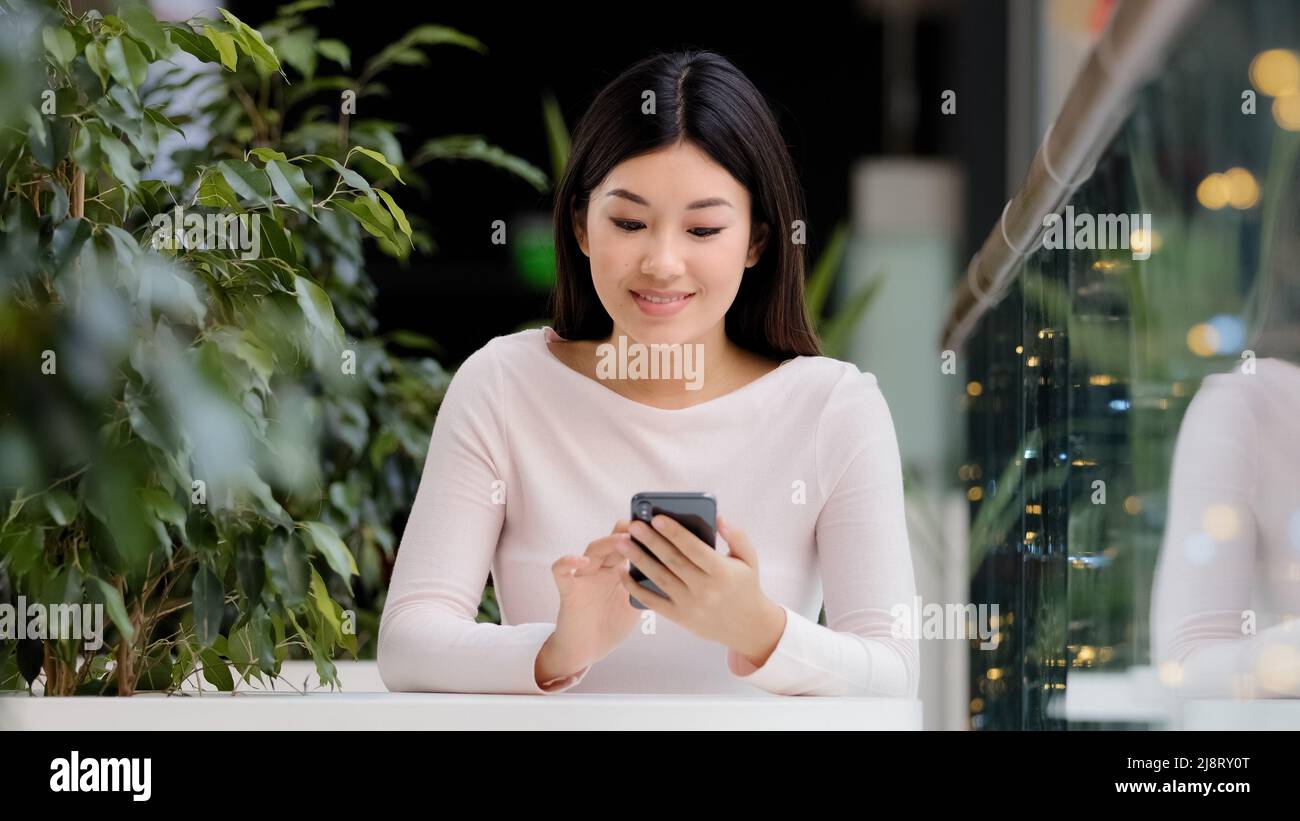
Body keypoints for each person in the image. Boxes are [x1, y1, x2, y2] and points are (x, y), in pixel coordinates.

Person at [377, 49, 918, 696]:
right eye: (629, 222)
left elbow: (895, 674)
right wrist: (560, 645)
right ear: (581, 224)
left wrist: (761, 628)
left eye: (704, 228)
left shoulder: (835, 409)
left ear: (756, 242)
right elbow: (408, 641)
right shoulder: (501, 386)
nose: (662, 262)